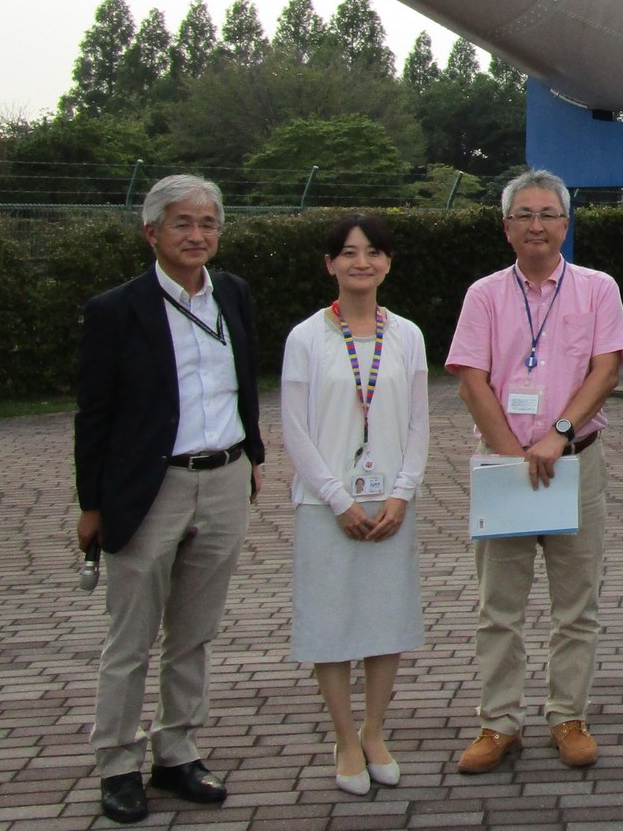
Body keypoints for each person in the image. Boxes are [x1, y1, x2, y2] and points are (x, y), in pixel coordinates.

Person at [74, 174, 264, 825]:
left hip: (224, 478)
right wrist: (91, 503)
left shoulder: (232, 293)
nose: (197, 235)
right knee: (130, 638)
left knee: (194, 632)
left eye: (208, 222)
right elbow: (92, 413)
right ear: (151, 231)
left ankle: (177, 749)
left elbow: (244, 380)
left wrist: (254, 457)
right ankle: (117, 763)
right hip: (148, 487)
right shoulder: (115, 310)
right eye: (183, 223)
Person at [446, 170, 623, 773]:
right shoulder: (483, 295)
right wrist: (509, 451)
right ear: (506, 227)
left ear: (565, 223)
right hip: (504, 464)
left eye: (548, 214)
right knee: (498, 604)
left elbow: (606, 370)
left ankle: (567, 715)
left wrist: (556, 436)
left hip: (576, 464)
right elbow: (471, 377)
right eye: (524, 214)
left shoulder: (597, 288)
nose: (537, 225)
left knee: (576, 604)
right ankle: (498, 722)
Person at [281, 214, 430, 795]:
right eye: (347, 253)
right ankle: (344, 739)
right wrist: (338, 499)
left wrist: (403, 491)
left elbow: (419, 422)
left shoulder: (408, 335)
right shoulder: (306, 337)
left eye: (372, 252)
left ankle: (374, 731)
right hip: (328, 506)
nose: (360, 262)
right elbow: (295, 429)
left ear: (388, 262)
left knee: (384, 621)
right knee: (331, 623)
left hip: (390, 503)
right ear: (330, 264)